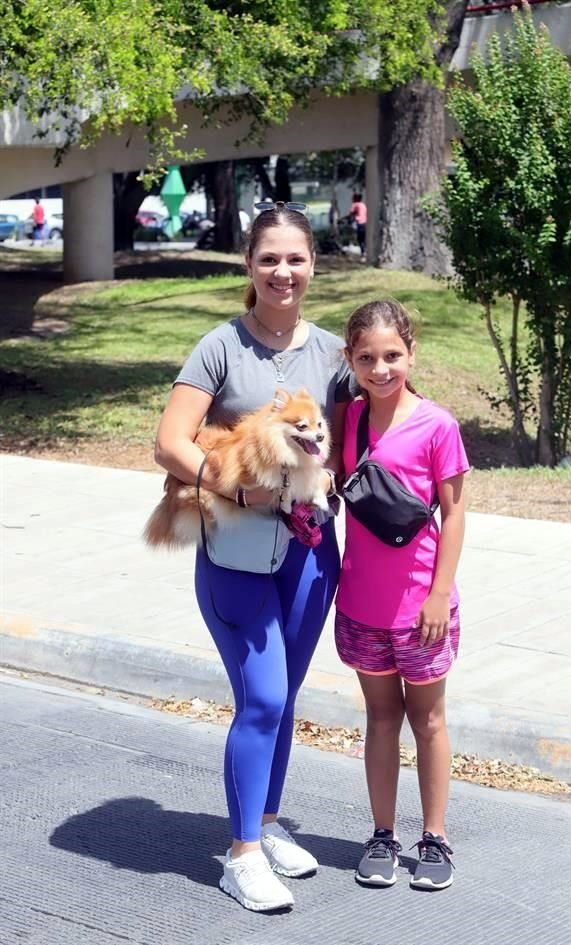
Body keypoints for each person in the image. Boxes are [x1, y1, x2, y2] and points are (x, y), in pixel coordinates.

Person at [153, 202, 355, 913]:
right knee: (262, 696)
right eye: (269, 257)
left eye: (295, 257)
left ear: (313, 264)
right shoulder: (221, 347)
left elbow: (372, 425)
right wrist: (233, 491)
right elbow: (170, 441)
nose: (283, 270)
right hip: (235, 554)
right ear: (249, 265)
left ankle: (265, 827)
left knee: (285, 694)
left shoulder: (333, 353)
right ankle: (239, 857)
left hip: (310, 554)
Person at [335, 299, 469, 892]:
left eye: (392, 355)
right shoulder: (348, 423)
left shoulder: (437, 424)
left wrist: (439, 594)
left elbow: (456, 513)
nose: (381, 367)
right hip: (361, 603)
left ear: (412, 354)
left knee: (430, 720)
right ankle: (383, 834)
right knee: (381, 718)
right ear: (350, 359)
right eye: (367, 357)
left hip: (422, 608)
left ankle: (434, 838)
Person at [349, 192, 367, 258]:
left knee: (360, 239)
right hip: (365, 223)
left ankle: (363, 253)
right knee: (364, 239)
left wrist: (342, 219)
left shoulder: (355, 204)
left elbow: (351, 214)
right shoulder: (363, 205)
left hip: (360, 224)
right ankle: (365, 252)